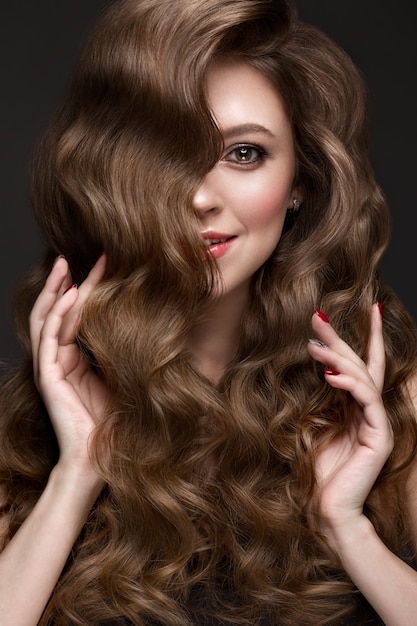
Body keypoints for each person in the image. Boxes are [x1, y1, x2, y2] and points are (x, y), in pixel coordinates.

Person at [1, 0, 416, 624]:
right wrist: (79, 470)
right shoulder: (31, 428)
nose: (197, 196)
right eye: (166, 156)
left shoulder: (394, 407)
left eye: (243, 153)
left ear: (301, 180)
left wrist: (346, 527)